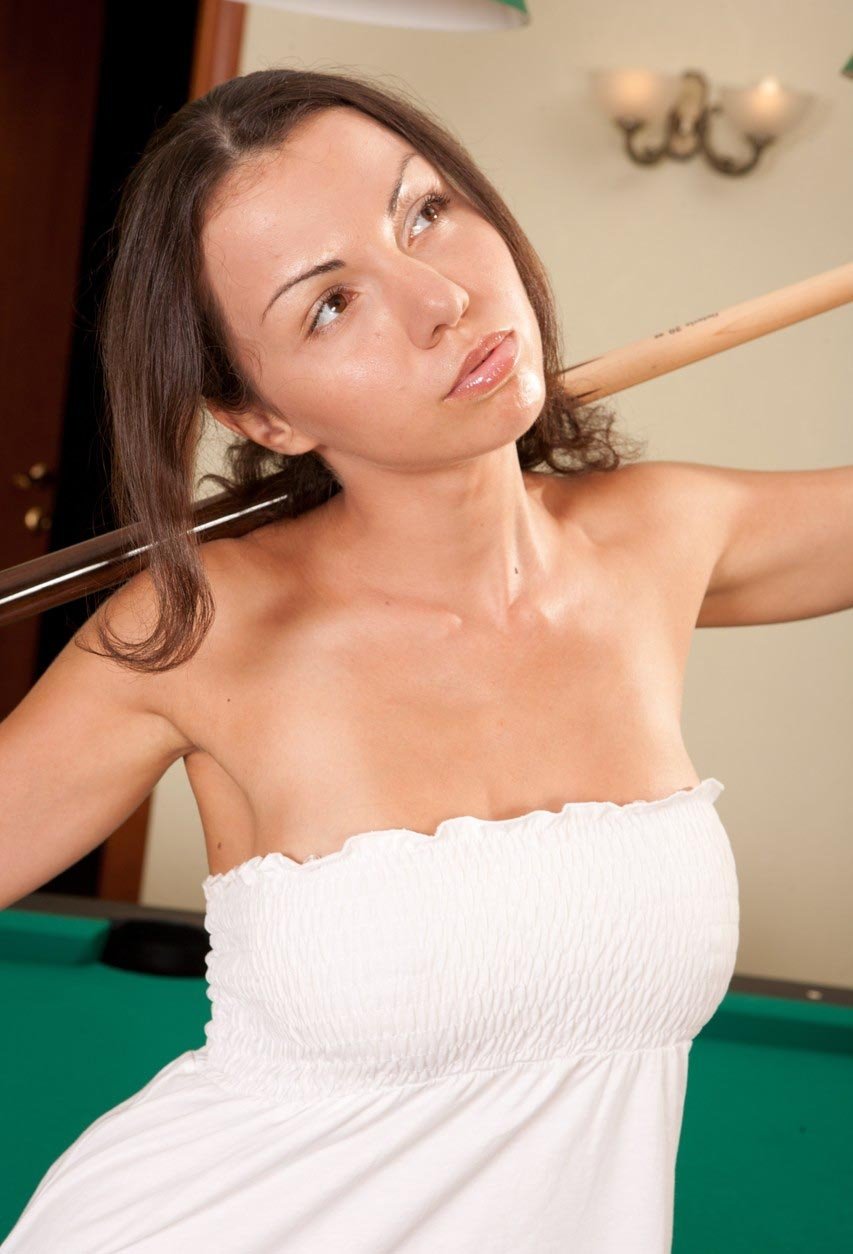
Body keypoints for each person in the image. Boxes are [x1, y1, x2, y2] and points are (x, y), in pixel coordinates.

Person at [1, 67, 745, 1252]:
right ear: (263, 417)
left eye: (425, 212)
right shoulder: (196, 628)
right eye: (330, 304)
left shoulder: (662, 534)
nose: (440, 298)